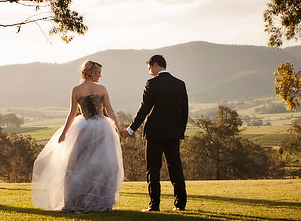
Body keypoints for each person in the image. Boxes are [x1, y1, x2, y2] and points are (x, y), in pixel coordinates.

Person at [31, 60, 125, 212]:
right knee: (102, 165)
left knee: (77, 165)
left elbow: (72, 114)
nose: (100, 75)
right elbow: (110, 111)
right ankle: (99, 201)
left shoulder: (76, 90)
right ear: (91, 72)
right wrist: (119, 129)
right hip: (102, 129)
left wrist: (64, 133)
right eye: (98, 72)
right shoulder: (101, 89)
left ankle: (76, 200)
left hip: (83, 127)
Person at [123, 54, 188, 212]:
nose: (150, 72)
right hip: (173, 133)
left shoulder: (152, 84)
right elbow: (184, 111)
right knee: (175, 168)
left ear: (156, 65)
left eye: (150, 68)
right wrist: (180, 130)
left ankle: (154, 204)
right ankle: (180, 204)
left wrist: (130, 129)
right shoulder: (180, 84)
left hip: (154, 133)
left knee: (153, 169)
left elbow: (144, 109)